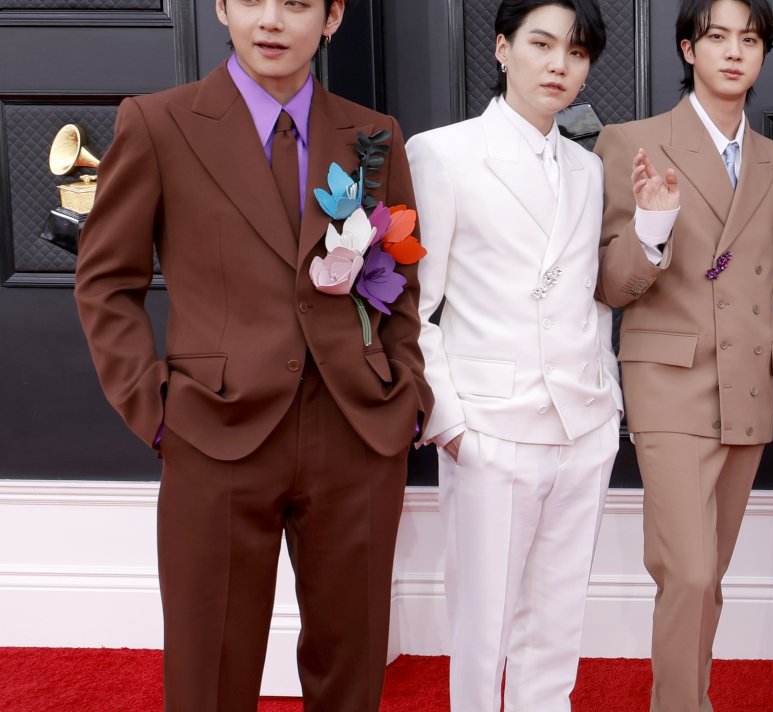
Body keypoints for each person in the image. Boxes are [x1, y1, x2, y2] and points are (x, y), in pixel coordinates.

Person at [72, 0, 433, 709]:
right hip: (213, 431)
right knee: (210, 671)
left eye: (297, 4)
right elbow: (106, 282)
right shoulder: (157, 123)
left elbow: (400, 282)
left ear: (331, 18)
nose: (272, 20)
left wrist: (405, 396)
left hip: (356, 433)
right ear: (221, 8)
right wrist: (157, 413)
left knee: (352, 668)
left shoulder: (374, 136)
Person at [407, 1, 629, 710]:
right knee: (481, 631)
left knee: (558, 625)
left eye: (576, 51)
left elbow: (590, 300)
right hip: (491, 429)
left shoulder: (586, 168)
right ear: (502, 49)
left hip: (582, 424)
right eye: (540, 43)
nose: (559, 64)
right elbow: (414, 306)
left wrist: (606, 399)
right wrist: (452, 426)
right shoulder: (442, 153)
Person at [593, 0, 773, 709]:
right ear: (688, 48)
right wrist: (652, 226)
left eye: (749, 39)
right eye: (717, 38)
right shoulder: (631, 142)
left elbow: (766, 276)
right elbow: (612, 286)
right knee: (686, 569)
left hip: (746, 383)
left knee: (709, 576)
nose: (733, 52)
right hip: (669, 382)